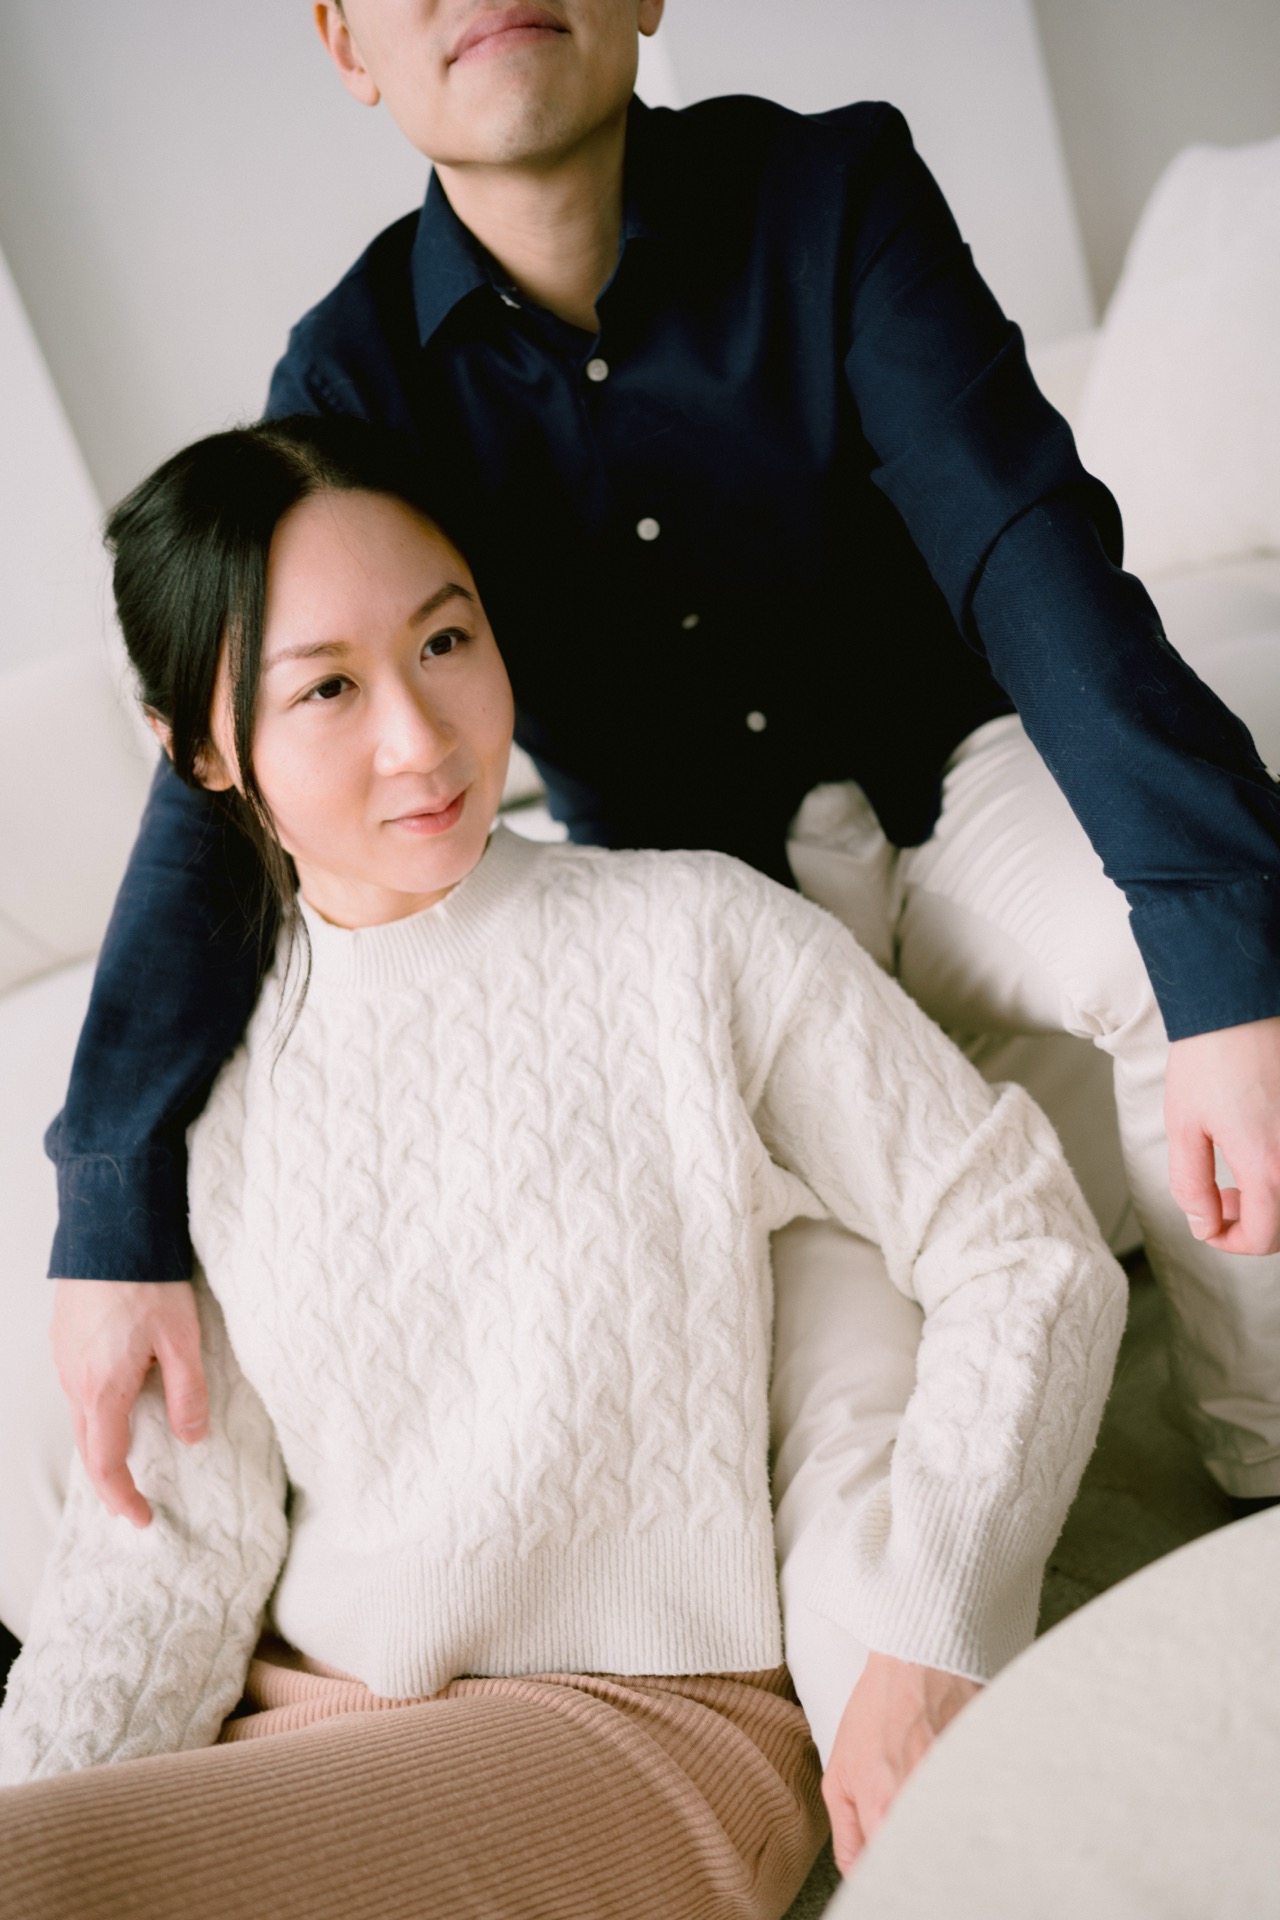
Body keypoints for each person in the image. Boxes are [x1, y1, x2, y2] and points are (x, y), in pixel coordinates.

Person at [43, 6, 1280, 1589]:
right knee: (843, 1393)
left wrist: (1221, 935)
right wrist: (110, 1205)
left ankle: (1262, 1479)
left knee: (1213, 975)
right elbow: (228, 763)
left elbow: (1028, 551)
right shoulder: (352, 371)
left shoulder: (838, 195)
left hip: (947, 780)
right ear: (348, 44)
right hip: (697, 907)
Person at [0, 417, 1123, 1917]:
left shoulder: (691, 937)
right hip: (295, 1722)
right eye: (327, 687)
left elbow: (1019, 1237)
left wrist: (932, 1624)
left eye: (445, 640)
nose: (423, 737)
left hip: (640, 1729)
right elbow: (169, 1548)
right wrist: (50, 1798)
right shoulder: (198, 1084)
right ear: (198, 751)